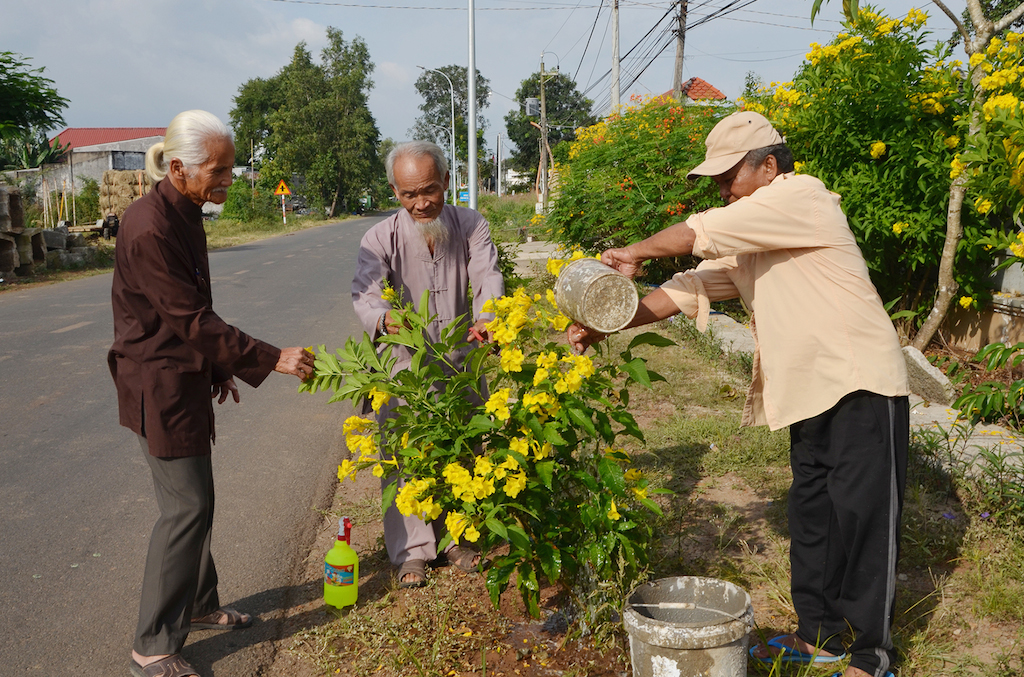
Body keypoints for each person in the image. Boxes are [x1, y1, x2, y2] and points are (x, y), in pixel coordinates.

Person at [569, 111, 910, 677]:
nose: (722, 190)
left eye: (729, 176)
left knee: (865, 520)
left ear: (769, 166)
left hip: (861, 383)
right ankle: (818, 636)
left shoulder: (804, 198)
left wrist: (635, 251)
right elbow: (690, 288)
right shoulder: (756, 237)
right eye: (717, 182)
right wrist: (608, 321)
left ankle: (871, 657)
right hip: (811, 391)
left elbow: (704, 230)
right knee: (814, 517)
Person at [109, 110, 315, 677]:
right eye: (218, 171)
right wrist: (273, 358)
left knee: (199, 499)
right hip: (160, 382)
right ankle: (152, 644)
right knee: (185, 509)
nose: (228, 180)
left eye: (229, 169)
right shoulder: (149, 226)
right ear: (178, 168)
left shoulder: (187, 212)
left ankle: (198, 605)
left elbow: (194, 312)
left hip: (186, 373)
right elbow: (190, 319)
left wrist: (219, 367)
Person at [352, 140, 504, 588]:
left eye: (430, 191)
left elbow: (487, 275)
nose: (421, 203)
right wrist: (384, 317)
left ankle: (457, 539)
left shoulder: (471, 224)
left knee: (464, 448)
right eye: (409, 194)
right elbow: (366, 293)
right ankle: (412, 552)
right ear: (394, 192)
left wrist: (489, 319)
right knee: (404, 453)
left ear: (447, 183)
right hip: (406, 367)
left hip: (462, 359)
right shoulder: (379, 237)